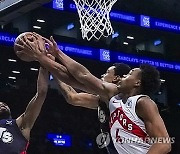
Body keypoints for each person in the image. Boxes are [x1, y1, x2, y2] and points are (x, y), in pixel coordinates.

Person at [15, 33, 171, 154]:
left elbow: (164, 143)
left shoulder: (143, 102)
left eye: (129, 74)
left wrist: (48, 57)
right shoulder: (113, 97)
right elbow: (76, 79)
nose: (124, 76)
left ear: (137, 83)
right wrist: (47, 57)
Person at [55, 63, 130, 154]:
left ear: (116, 78)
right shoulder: (102, 100)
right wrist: (55, 72)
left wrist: (52, 62)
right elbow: (72, 98)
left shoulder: (118, 96)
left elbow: (83, 76)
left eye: (107, 73)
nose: (102, 75)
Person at [0, 67, 48, 154]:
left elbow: (41, 93)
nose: (2, 105)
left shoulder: (19, 124)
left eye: (4, 104)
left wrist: (44, 65)